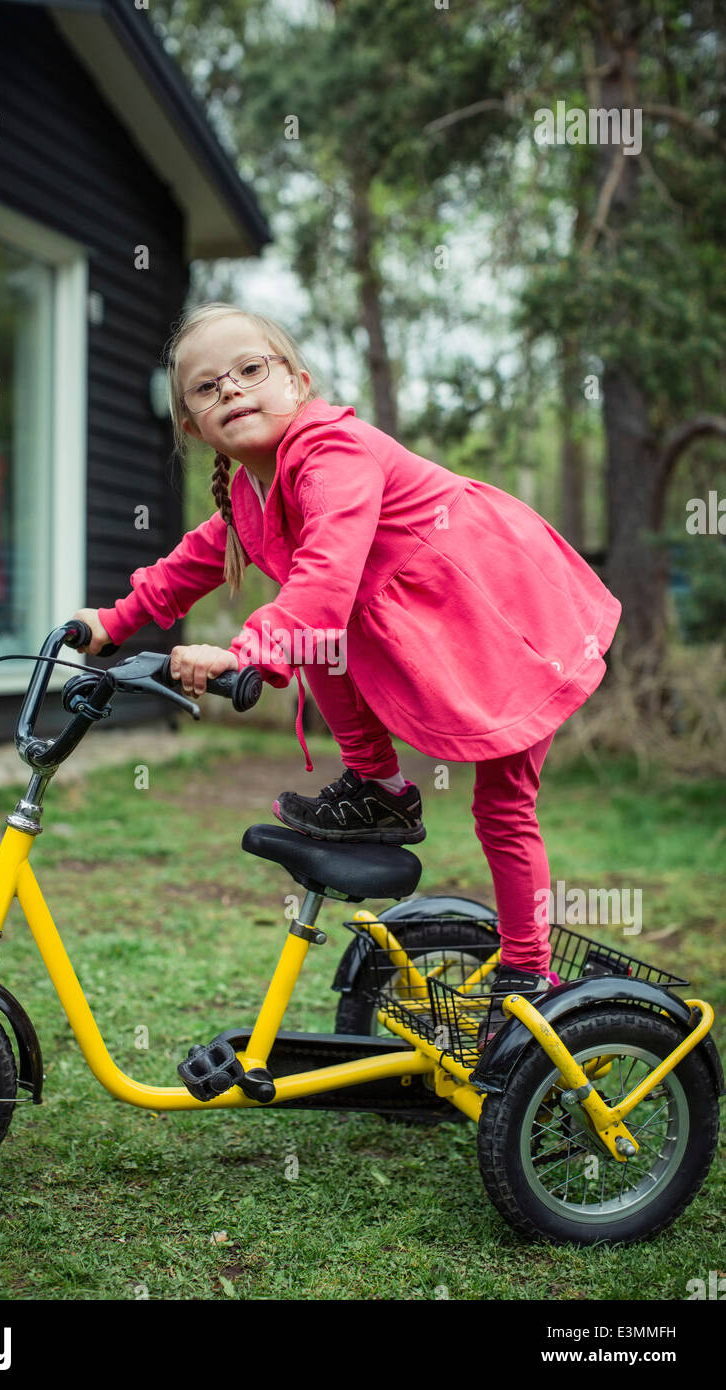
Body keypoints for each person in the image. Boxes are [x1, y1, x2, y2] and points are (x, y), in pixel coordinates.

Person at [72, 301, 622, 1022]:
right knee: (318, 638)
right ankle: (380, 787)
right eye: (207, 388)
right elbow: (186, 568)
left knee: (502, 806)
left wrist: (241, 655)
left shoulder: (334, 453)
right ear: (190, 424)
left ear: (298, 383)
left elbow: (324, 582)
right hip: (432, 620)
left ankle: (527, 973)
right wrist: (109, 624)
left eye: (250, 370)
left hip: (501, 613)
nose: (231, 390)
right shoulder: (249, 495)